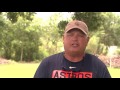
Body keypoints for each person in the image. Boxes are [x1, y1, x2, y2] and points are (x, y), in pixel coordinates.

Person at [34, 20, 111, 78]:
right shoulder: (47, 64)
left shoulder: (98, 66)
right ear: (63, 38)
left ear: (87, 40)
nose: (75, 38)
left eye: (80, 35)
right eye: (70, 35)